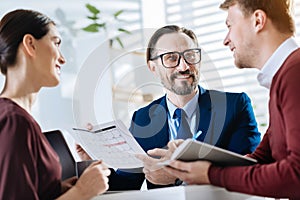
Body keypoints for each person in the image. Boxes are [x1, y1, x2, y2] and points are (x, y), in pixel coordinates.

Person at [77, 25, 261, 190]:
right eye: (171, 58)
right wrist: (94, 161)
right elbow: (125, 184)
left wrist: (178, 176)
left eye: (190, 55)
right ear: (153, 67)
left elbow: (248, 172)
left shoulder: (234, 107)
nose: (183, 66)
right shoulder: (142, 119)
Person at [162, 0, 300, 199]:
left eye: (230, 26)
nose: (226, 40)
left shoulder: (294, 74)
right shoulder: (283, 77)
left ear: (258, 21)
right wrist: (189, 157)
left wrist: (211, 174)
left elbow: (295, 175)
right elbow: (262, 159)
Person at [0, 9, 110, 200]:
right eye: (56, 43)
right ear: (30, 44)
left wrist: (57, 190)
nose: (62, 58)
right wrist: (82, 192)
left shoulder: (14, 118)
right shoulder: (14, 121)